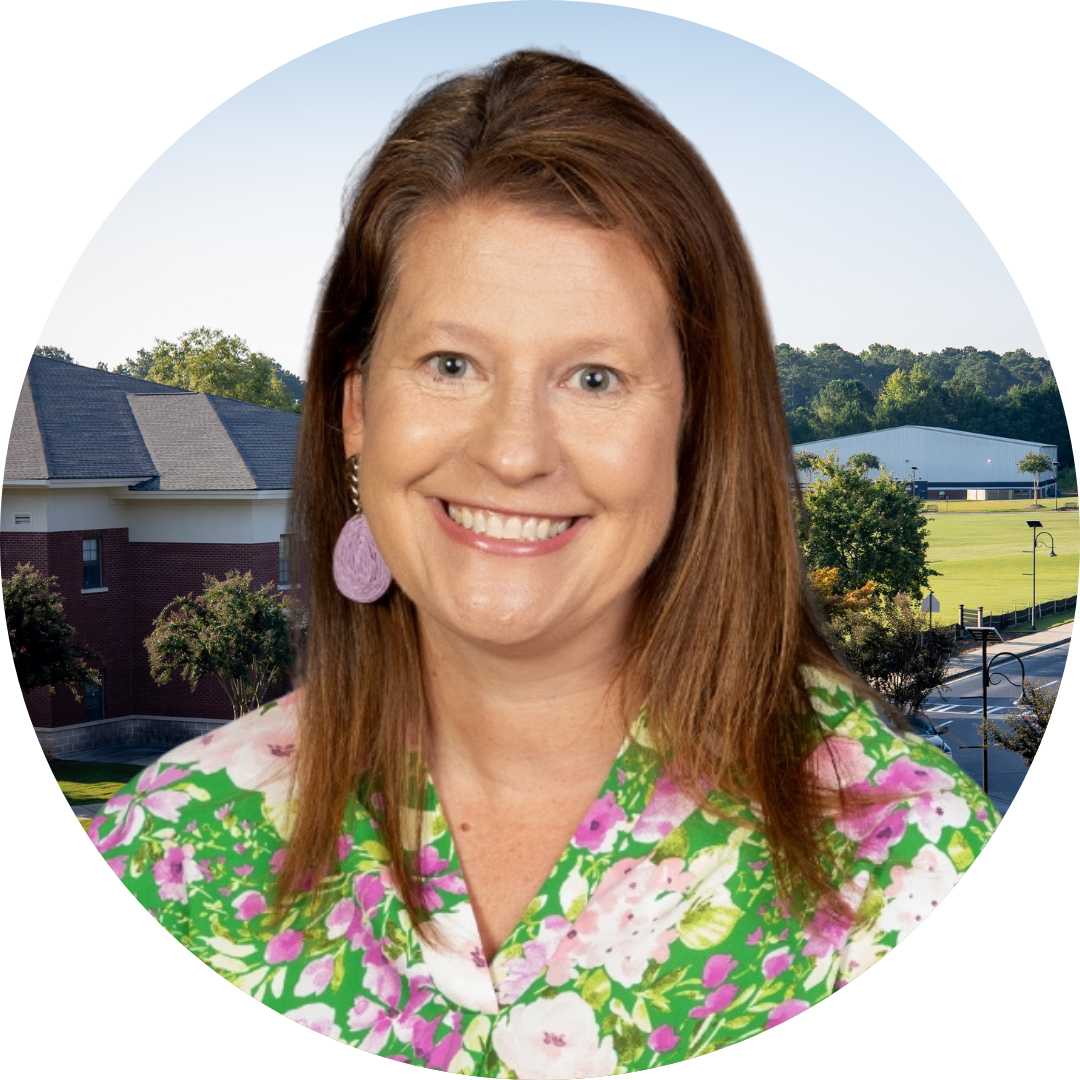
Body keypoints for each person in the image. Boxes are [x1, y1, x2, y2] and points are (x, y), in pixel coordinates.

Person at [91, 50, 998, 1070]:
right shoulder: (166, 851)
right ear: (355, 410)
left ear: (696, 431)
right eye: (450, 364)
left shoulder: (909, 869)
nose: (514, 451)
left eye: (596, 377)